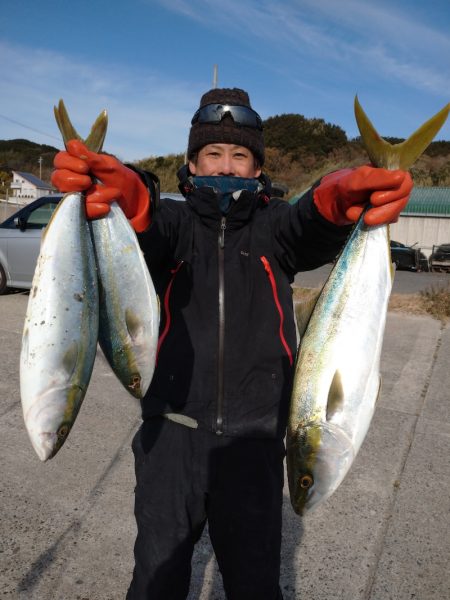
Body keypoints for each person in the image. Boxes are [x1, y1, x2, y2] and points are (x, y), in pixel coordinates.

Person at [51, 88, 413, 600]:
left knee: (254, 586)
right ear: (192, 163)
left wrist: (344, 191)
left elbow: (315, 217)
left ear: (258, 167)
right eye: (214, 153)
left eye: (240, 155)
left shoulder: (275, 230)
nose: (228, 165)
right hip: (171, 440)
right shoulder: (176, 228)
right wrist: (124, 184)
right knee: (155, 581)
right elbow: (144, 217)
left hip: (256, 444)